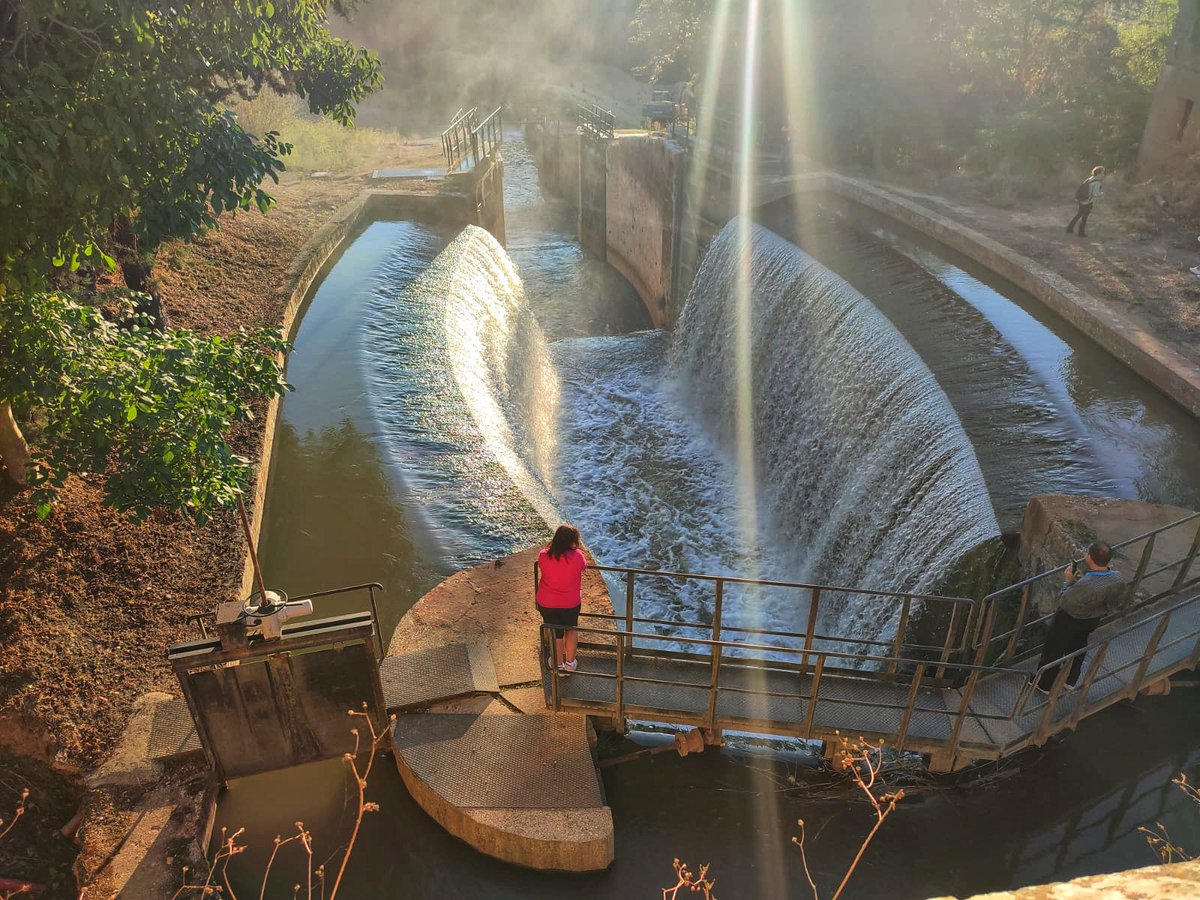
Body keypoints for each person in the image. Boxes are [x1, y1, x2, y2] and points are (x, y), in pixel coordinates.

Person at [1033, 541, 1125, 692]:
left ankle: (1044, 684)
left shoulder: (1086, 584)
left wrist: (1068, 582)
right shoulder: (1117, 577)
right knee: (1079, 645)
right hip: (1092, 619)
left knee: (1054, 649)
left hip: (1069, 619)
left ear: (1089, 557)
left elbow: (1065, 600)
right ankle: (1070, 680)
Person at [535, 524, 587, 673]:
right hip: (570, 602)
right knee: (571, 629)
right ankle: (570, 664)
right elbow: (584, 566)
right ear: (573, 541)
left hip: (547, 601)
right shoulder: (577, 556)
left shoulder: (544, 554)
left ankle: (557, 664)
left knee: (555, 631)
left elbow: (543, 568)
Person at [1066, 166, 1105, 237]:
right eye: (1102, 173)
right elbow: (1095, 194)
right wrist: (1102, 194)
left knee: (1078, 215)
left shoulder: (1090, 178)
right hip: (1088, 202)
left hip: (1082, 200)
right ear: (1099, 173)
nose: (1103, 175)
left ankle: (1069, 228)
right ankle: (1081, 233)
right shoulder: (1097, 183)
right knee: (1084, 217)